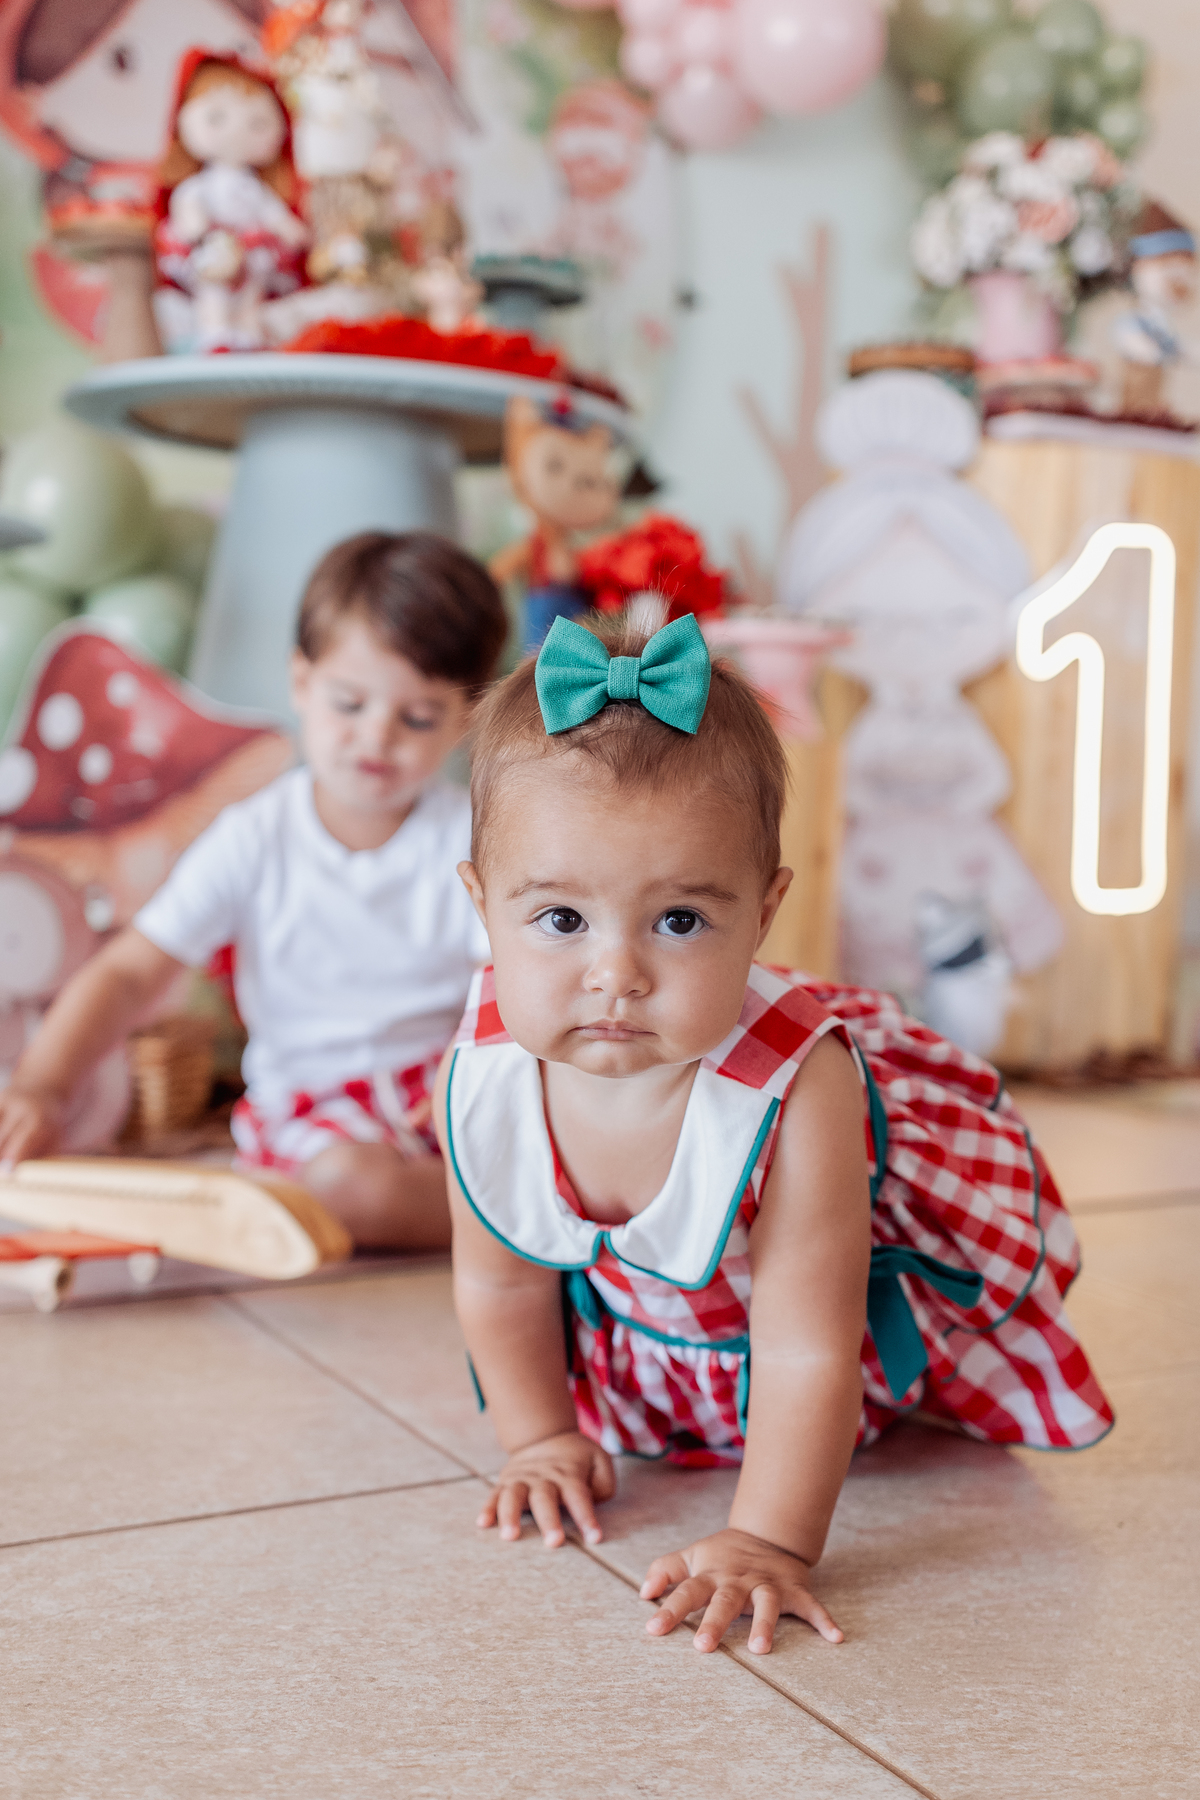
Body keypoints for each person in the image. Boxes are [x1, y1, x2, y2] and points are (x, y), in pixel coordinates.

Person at [434, 611, 1114, 1655]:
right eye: (561, 920)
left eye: (680, 921)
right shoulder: (483, 1070)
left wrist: (768, 1539)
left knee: (808, 1355)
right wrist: (540, 1438)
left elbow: (805, 1345)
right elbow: (503, 1285)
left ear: (761, 912)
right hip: (641, 1365)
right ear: (483, 906)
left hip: (807, 1379)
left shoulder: (798, 1088)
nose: (616, 974)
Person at [0, 531, 507, 1251]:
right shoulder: (256, 836)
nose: (376, 737)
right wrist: (42, 1088)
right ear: (301, 683)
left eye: (418, 717)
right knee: (348, 1187)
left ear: (464, 720)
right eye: (349, 703)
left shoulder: (467, 837)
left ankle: (508, 1209)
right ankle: (508, 1222)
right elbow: (129, 972)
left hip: (443, 1096)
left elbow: (509, 983)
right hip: (310, 1114)